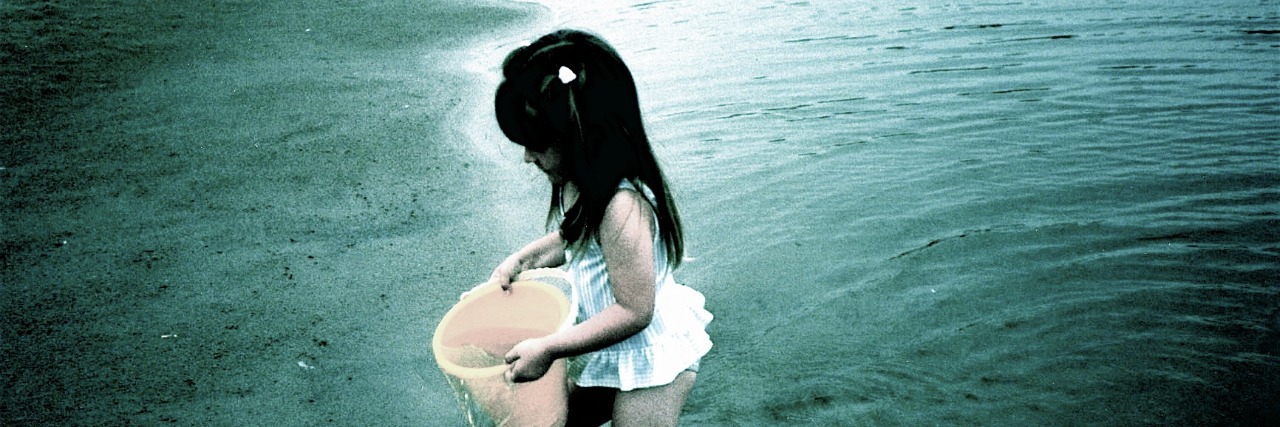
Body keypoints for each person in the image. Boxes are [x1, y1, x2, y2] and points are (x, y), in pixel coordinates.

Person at [488, 29, 713, 426]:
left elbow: (634, 311)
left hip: (653, 357)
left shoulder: (623, 207)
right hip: (617, 347)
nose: (527, 158)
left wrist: (550, 348)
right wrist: (523, 260)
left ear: (578, 138)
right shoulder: (581, 183)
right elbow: (571, 240)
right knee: (563, 419)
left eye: (536, 145)